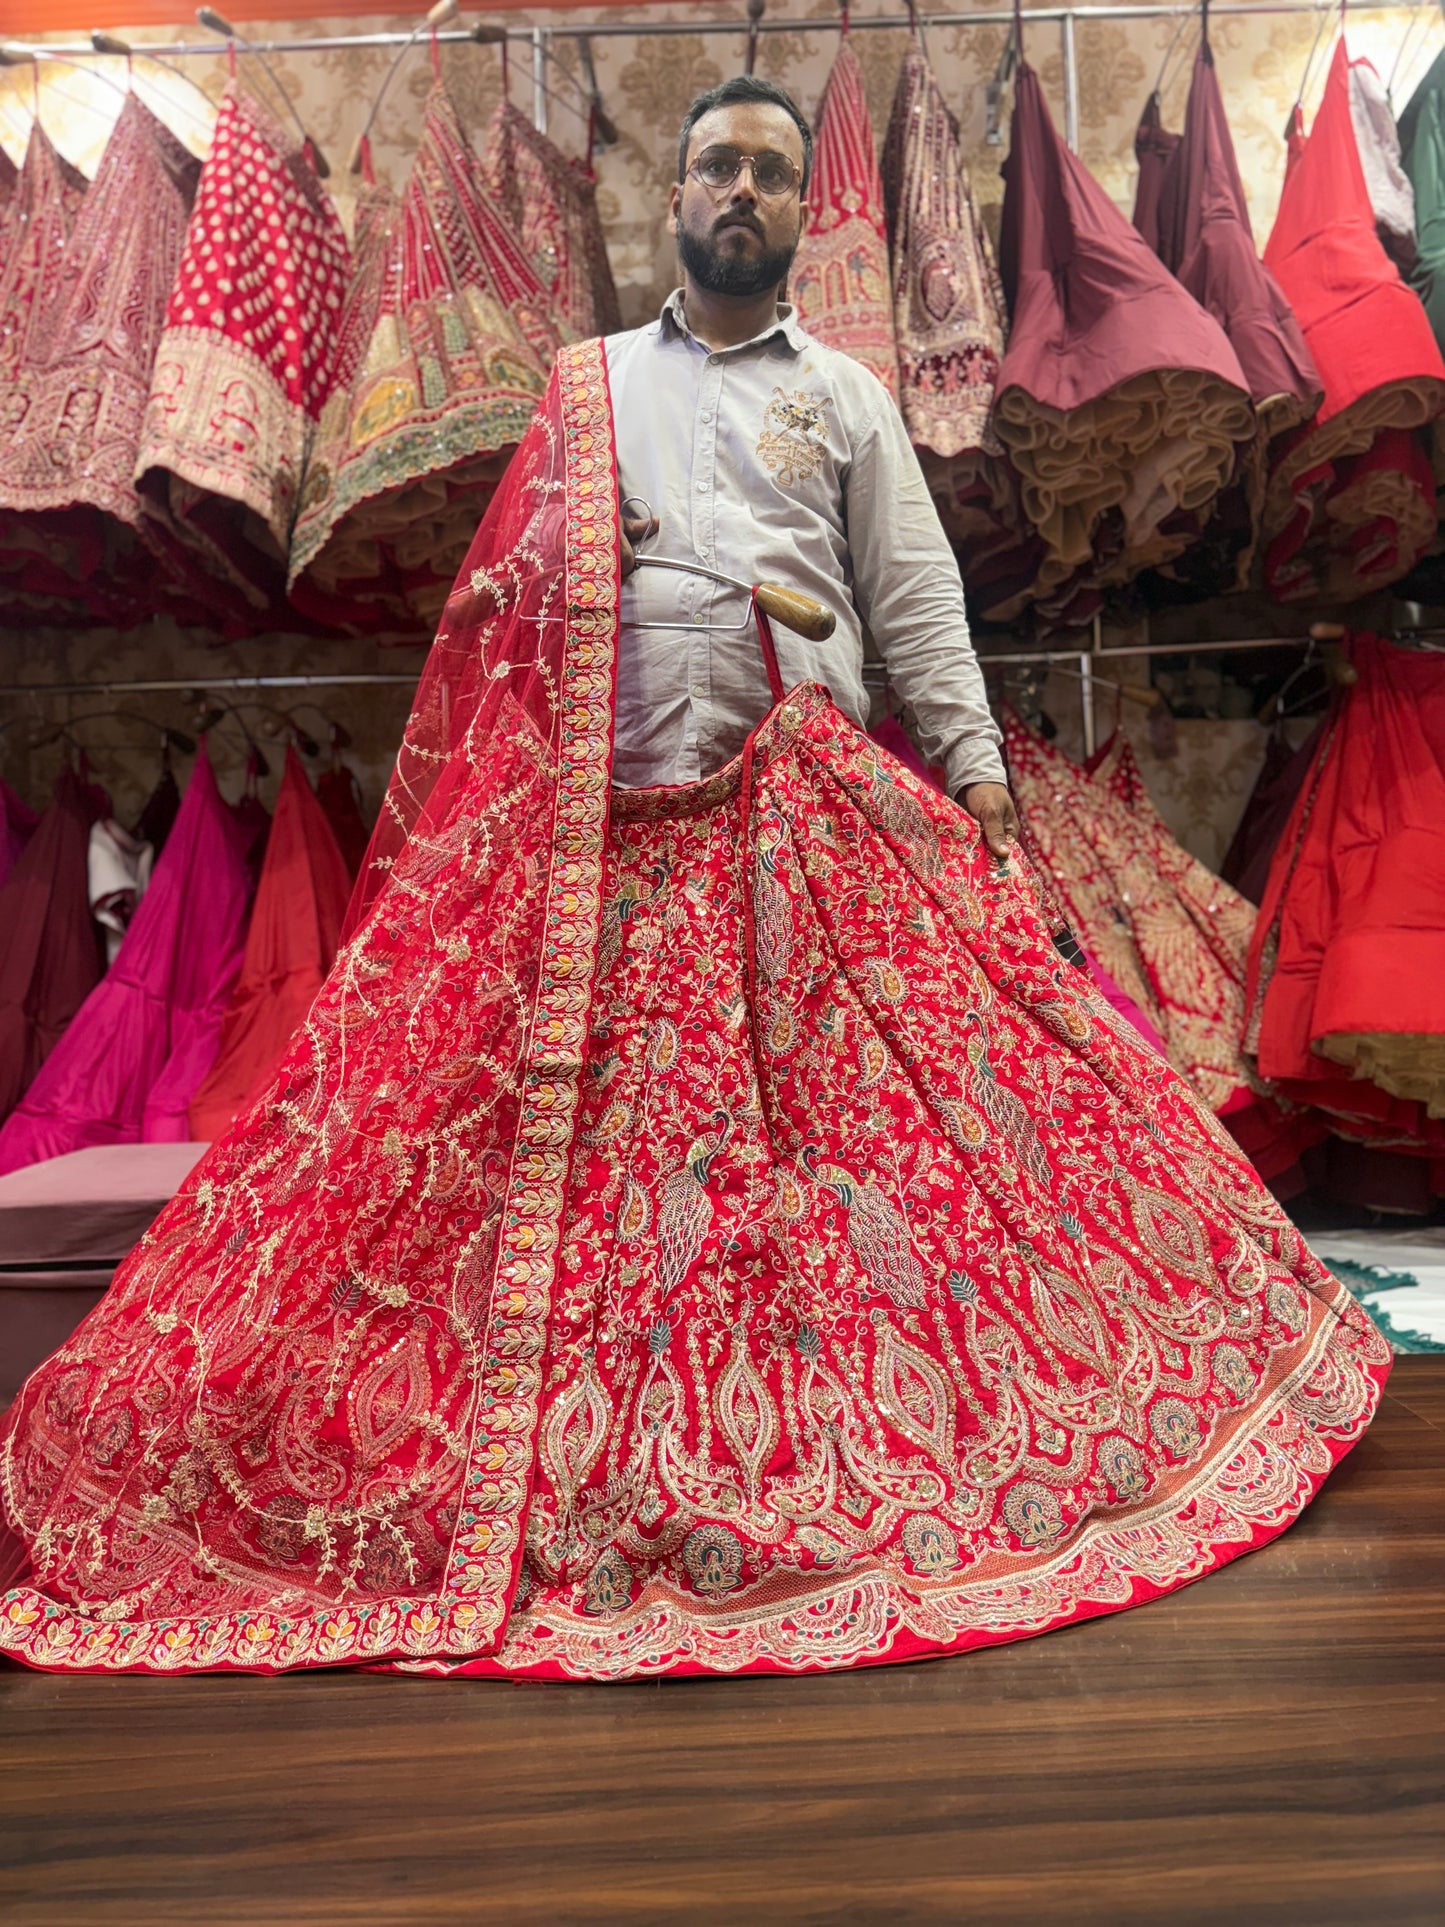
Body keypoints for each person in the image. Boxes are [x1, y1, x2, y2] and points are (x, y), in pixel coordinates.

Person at [0, 81, 1387, 1680]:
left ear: (804, 213)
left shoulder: (850, 404)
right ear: (674, 197)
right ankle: (606, 1455)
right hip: (604, 858)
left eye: (773, 174)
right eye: (717, 165)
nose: (743, 191)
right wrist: (567, 566)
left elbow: (917, 601)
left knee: (863, 1181)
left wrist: (987, 790)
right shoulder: (583, 388)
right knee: (608, 1201)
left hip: (812, 838)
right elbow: (492, 609)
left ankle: (845, 1426)